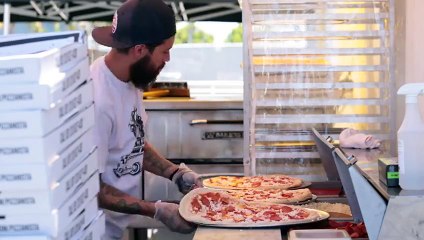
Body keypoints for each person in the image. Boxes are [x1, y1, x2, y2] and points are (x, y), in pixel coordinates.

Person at [90, 0, 201, 238]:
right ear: (140, 50)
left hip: (116, 229)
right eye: (164, 51)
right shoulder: (97, 101)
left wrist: (175, 173)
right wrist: (157, 211)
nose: (167, 59)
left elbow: (131, 141)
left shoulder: (130, 79)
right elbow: (90, 189)